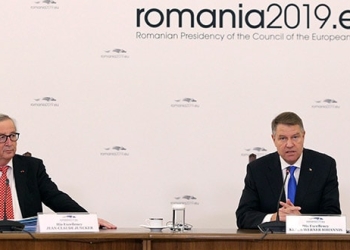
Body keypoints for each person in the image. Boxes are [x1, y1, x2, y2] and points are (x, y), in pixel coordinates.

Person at [0, 114, 116, 229]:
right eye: (2, 137)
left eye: (13, 136)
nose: (9, 143)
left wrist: (87, 220)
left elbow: (55, 197)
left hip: (26, 239)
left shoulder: (31, 167)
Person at [236, 111, 341, 229]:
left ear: (303, 136)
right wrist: (274, 218)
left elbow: (333, 216)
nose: (290, 144)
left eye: (295, 137)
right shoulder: (257, 169)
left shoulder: (324, 166)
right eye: (282, 138)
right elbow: (243, 216)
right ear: (273, 139)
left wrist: (303, 220)